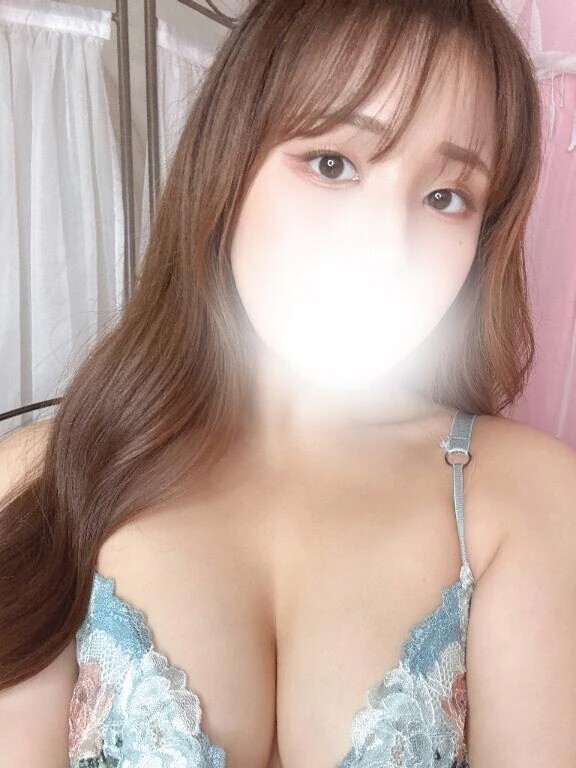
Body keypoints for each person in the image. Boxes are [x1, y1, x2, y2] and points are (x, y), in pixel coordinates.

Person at [1, 0, 576, 765]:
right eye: (333, 163)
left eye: (446, 196)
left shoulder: (526, 498)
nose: (384, 249)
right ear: (229, 163)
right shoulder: (41, 480)